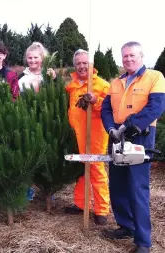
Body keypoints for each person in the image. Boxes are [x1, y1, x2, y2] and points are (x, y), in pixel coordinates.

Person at [101, 42, 165, 253]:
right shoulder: (116, 82)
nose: (128, 59)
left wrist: (129, 127)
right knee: (117, 186)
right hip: (116, 137)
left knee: (137, 189)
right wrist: (111, 128)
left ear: (141, 56)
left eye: (132, 55)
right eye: (125, 56)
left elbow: (156, 107)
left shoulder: (154, 78)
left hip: (140, 138)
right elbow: (106, 109)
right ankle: (125, 226)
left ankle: (143, 241)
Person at [64, 49, 110, 226]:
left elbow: (108, 109)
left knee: (96, 170)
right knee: (81, 171)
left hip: (95, 135)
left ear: (91, 64)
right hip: (76, 134)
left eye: (85, 63)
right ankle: (81, 204)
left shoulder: (101, 85)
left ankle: (101, 210)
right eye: (78, 63)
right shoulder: (73, 85)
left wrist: (95, 100)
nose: (82, 66)